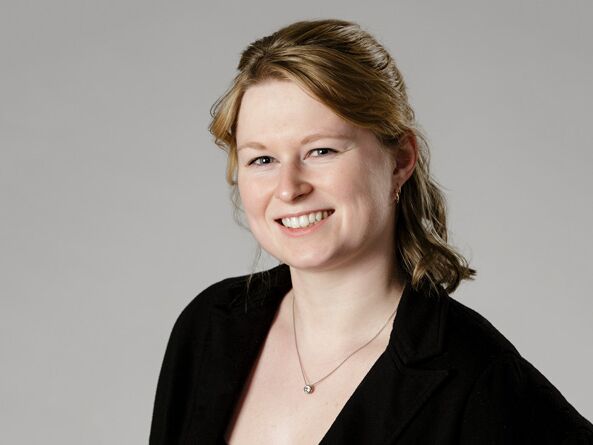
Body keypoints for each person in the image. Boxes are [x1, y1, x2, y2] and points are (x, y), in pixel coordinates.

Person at [149, 19, 593, 444]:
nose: (288, 188)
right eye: (261, 159)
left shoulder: (476, 376)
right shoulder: (208, 327)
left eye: (321, 151)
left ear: (400, 160)